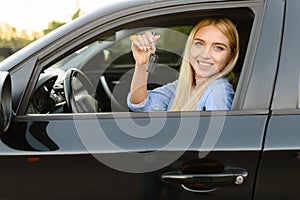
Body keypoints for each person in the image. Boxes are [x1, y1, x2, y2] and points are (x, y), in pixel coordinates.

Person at [127, 17, 239, 112]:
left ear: (230, 55)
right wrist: (141, 65)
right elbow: (140, 104)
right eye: (199, 43)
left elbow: (217, 135)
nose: (205, 55)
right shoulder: (184, 86)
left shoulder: (218, 91)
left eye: (218, 48)